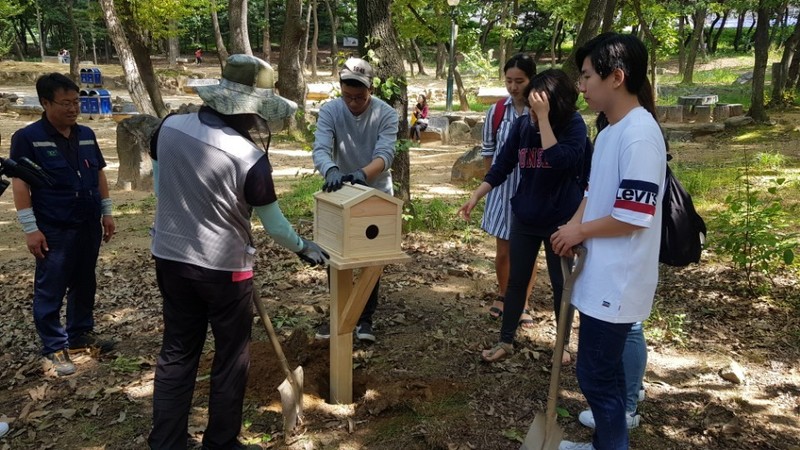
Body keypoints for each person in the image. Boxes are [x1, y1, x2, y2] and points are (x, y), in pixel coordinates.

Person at [147, 54, 329, 450]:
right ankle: (221, 442)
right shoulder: (249, 159)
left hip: (170, 257)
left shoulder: (167, 128)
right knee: (230, 359)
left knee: (178, 350)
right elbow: (276, 226)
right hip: (224, 271)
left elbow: (162, 191)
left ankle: (167, 442)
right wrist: (304, 248)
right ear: (251, 111)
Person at [551, 32, 666, 450]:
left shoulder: (639, 135)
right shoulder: (611, 130)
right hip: (600, 273)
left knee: (595, 375)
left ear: (616, 76)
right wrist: (572, 225)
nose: (580, 86)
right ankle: (607, 443)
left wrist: (580, 231)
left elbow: (634, 215)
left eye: (586, 76)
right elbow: (593, 193)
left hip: (619, 280)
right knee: (608, 373)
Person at [459, 69, 592, 364]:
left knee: (562, 284)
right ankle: (505, 340)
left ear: (554, 106)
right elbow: (502, 164)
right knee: (516, 281)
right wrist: (477, 195)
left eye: (538, 107)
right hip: (525, 215)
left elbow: (559, 161)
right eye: (531, 108)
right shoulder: (523, 126)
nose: (530, 113)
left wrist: (543, 119)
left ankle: (564, 345)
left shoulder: (574, 126)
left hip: (562, 222)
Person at [10, 73, 116, 377]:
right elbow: (20, 185)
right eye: (65, 103)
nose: (73, 109)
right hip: (54, 227)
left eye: (76, 102)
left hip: (87, 223)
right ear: (45, 103)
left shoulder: (85, 134)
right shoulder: (28, 138)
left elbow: (99, 174)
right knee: (51, 286)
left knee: (85, 281)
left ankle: (80, 334)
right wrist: (31, 228)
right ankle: (53, 346)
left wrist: (107, 213)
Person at [312, 57, 398, 343]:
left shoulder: (385, 113)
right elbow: (321, 148)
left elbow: (385, 154)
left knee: (369, 256)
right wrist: (331, 170)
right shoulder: (330, 111)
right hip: (341, 193)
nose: (353, 103)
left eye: (359, 97)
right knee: (336, 254)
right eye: (347, 96)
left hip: (376, 194)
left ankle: (364, 319)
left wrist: (363, 174)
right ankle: (339, 314)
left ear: (370, 89)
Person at [479, 54, 538, 330]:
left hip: (532, 190)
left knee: (527, 252)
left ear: (531, 80)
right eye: (509, 81)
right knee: (503, 251)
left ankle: (523, 302)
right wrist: (489, 183)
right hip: (501, 191)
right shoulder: (497, 111)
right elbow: (488, 150)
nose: (514, 87)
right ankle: (504, 294)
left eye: (520, 81)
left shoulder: (540, 110)